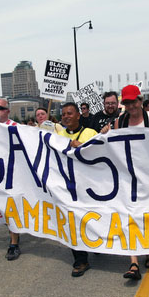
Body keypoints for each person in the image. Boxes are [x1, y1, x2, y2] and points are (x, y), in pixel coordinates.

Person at [110, 85, 149, 280]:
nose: (131, 105)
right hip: (128, 177)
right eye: (127, 102)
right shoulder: (120, 122)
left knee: (148, 216)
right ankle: (133, 262)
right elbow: (110, 143)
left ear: (140, 101)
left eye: (134, 101)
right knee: (130, 216)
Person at [56, 102, 98, 277]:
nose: (66, 116)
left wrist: (81, 147)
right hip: (68, 188)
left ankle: (97, 243)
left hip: (89, 186)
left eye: (70, 113)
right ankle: (80, 260)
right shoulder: (57, 135)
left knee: (93, 219)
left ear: (78, 115)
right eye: (64, 114)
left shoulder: (90, 133)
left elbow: (101, 154)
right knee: (72, 221)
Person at [0, 98, 23, 260]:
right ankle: (14, 232)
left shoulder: (17, 128)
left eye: (0, 108)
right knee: (0, 209)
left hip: (13, 175)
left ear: (7, 111)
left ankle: (13, 243)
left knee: (11, 208)